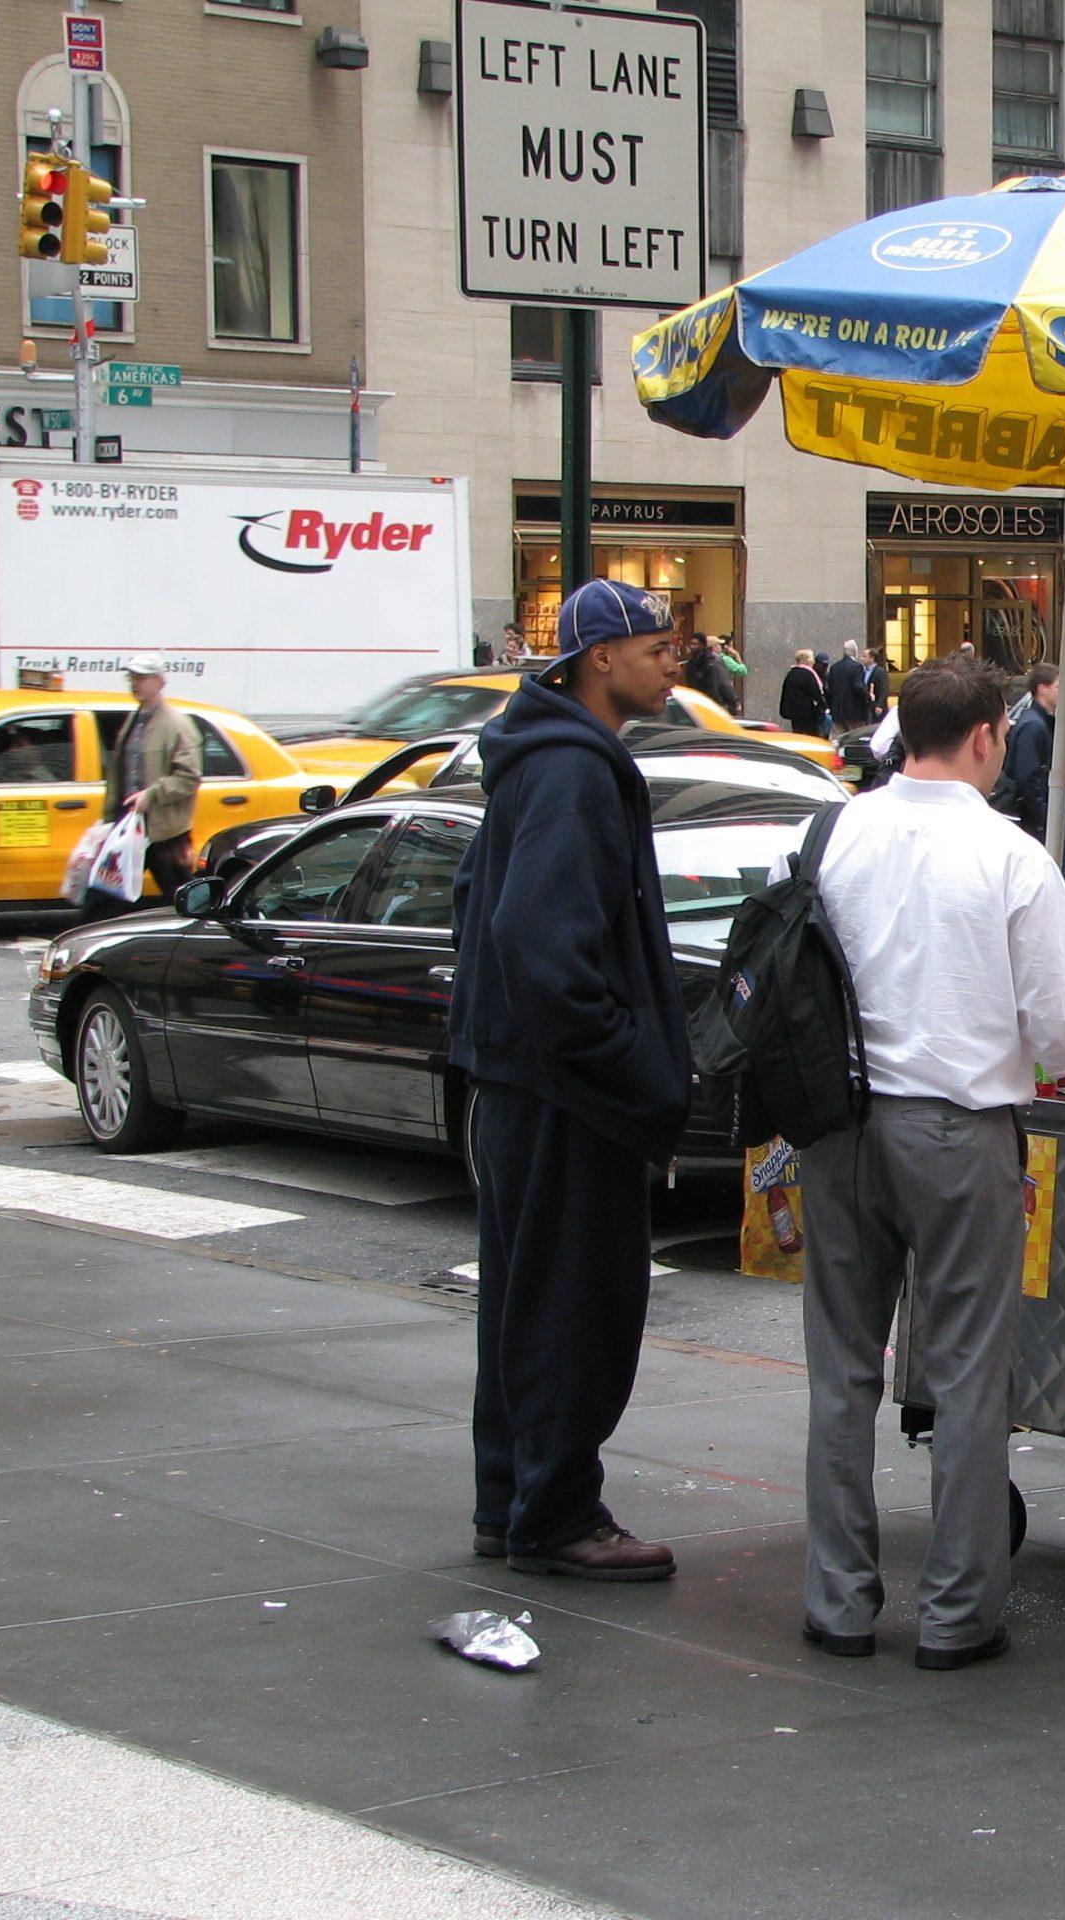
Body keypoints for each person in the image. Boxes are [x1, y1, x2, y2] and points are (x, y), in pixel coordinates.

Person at [798, 656, 1065, 1668]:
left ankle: (837, 1603)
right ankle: (956, 1615)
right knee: (970, 1375)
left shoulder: (837, 830)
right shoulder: (1010, 858)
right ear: (984, 736)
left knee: (841, 1370)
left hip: (839, 1123)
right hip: (958, 1131)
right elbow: (1061, 1033)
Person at [449, 579, 693, 1582]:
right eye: (658, 644)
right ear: (600, 658)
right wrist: (620, 1061)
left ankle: (511, 1499)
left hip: (525, 1082)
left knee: (525, 1299)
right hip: (562, 1092)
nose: (677, 658)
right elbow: (535, 939)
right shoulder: (570, 772)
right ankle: (554, 1515)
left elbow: (490, 912)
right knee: (570, 1307)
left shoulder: (542, 758)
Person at [88, 655, 201, 921]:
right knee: (104, 896)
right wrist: (109, 819)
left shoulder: (177, 725)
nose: (135, 683)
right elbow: (120, 772)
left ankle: (204, 938)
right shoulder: (135, 720)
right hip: (129, 826)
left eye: (141, 677)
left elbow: (189, 777)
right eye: (132, 678)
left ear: (160, 681)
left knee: (184, 899)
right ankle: (90, 941)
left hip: (165, 832)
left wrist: (152, 795)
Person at [998, 661, 1061, 846]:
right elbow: (1028, 776)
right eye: (1058, 686)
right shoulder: (1033, 725)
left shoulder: (1038, 721)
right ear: (1042, 689)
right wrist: (1041, 818)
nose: (1064, 692)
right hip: (1031, 820)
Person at [826, 640, 874, 731]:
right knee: (854, 739)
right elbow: (858, 686)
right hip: (854, 713)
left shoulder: (834, 667)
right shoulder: (857, 667)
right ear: (855, 652)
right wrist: (868, 696)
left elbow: (830, 689)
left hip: (837, 712)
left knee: (838, 740)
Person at [779, 648, 826, 736]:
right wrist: (824, 707)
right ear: (806, 660)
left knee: (797, 734)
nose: (813, 662)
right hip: (808, 713)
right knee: (812, 736)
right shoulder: (809, 674)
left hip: (794, 712)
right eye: (811, 659)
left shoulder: (791, 674)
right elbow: (816, 694)